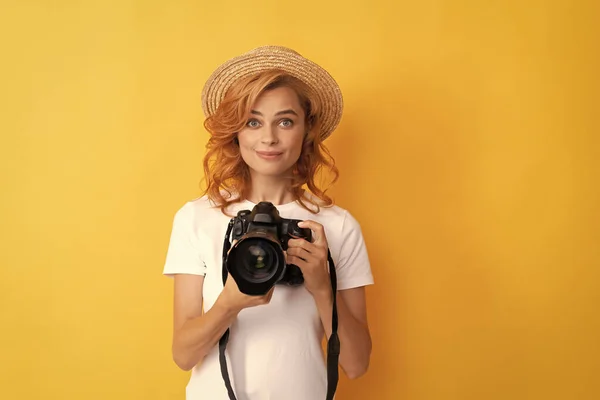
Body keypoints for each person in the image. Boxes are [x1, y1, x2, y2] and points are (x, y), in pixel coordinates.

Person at [162, 45, 374, 400]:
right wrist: (230, 302)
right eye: (253, 121)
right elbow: (183, 356)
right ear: (236, 132)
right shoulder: (197, 218)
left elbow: (356, 364)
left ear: (306, 131)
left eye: (286, 121)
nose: (269, 137)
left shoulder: (337, 227)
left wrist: (322, 287)